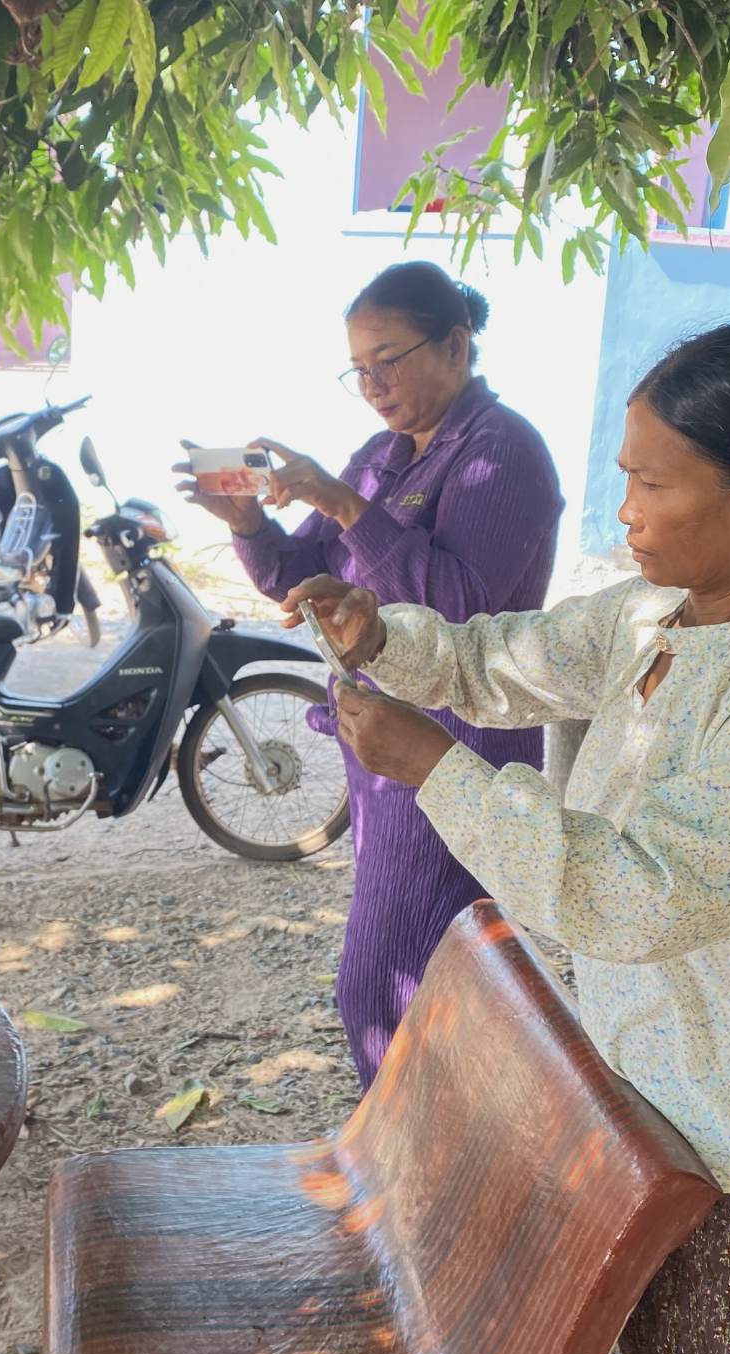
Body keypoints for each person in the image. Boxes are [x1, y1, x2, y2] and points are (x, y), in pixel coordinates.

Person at [289, 322, 730, 1354]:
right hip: (643, 1098)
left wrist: (436, 771)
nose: (623, 507)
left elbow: (632, 897)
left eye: (650, 482)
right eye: (623, 476)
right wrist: (382, 637)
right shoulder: (650, 618)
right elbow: (500, 658)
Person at [180, 261, 562, 1090]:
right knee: (432, 975)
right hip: (383, 750)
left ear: (456, 345)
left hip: (454, 747)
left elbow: (465, 606)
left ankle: (406, 1159)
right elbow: (302, 576)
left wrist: (347, 504)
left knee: (380, 986)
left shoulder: (504, 451)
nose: (371, 383)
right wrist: (250, 523)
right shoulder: (383, 454)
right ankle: (438, 1160)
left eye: (388, 358)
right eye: (357, 366)